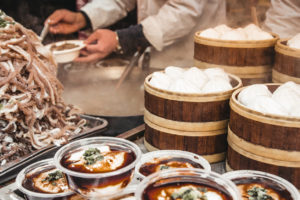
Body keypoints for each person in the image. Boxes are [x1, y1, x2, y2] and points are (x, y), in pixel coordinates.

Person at [46, 0, 226, 68]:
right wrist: (83, 17)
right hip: (156, 57)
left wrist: (121, 39)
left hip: (192, 58)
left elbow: (184, 10)